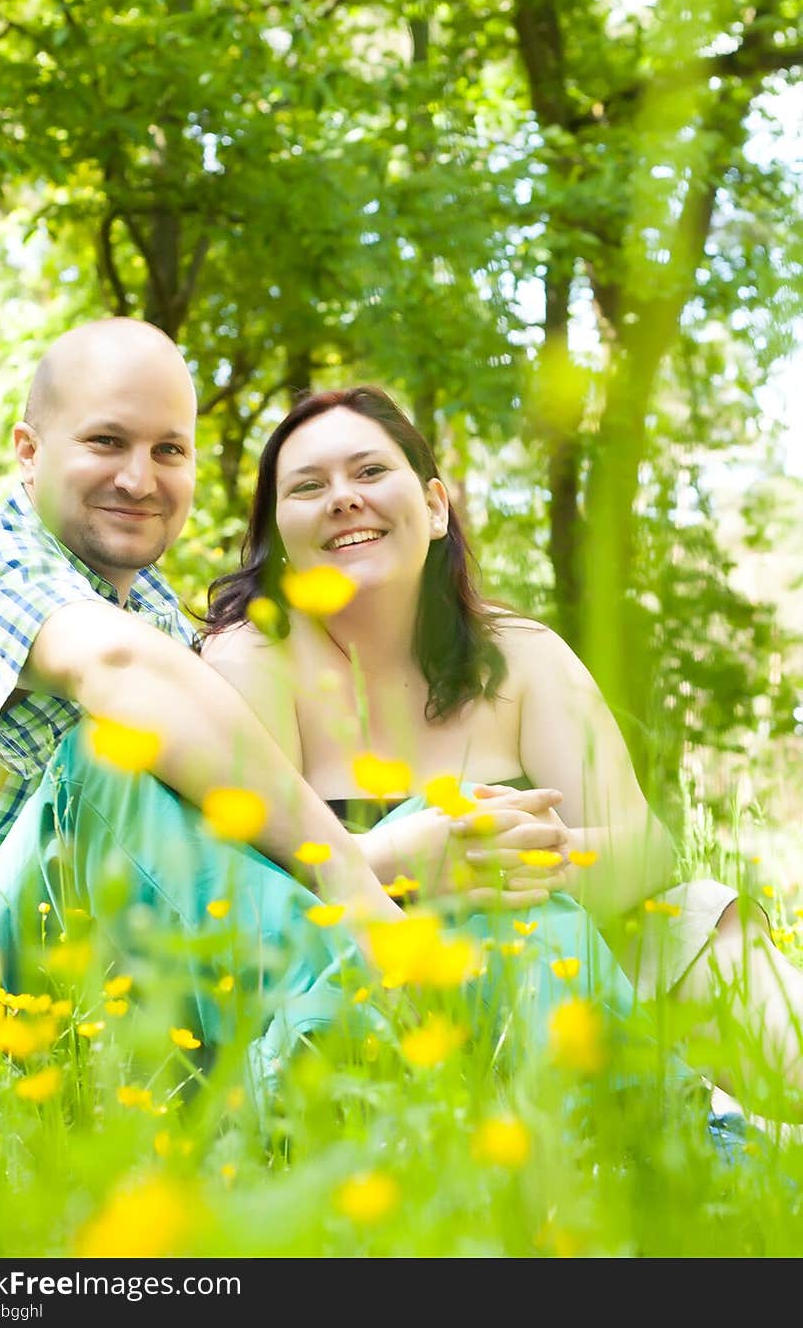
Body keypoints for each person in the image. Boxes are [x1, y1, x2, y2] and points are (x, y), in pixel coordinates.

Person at [198, 385, 803, 1117]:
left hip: (573, 943)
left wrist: (500, 857)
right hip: (371, 975)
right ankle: (707, 1130)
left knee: (701, 923)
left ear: (433, 507)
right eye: (307, 486)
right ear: (279, 536)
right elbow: (241, 893)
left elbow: (644, 850)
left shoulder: (518, 653)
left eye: (368, 472)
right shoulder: (251, 662)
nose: (342, 498)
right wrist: (415, 863)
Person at [0, 320, 409, 1087]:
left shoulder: (152, 607)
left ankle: (616, 1087)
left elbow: (208, 833)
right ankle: (412, 1023)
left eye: (167, 450)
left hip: (103, 986)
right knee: (103, 758)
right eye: (107, 441)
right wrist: (356, 885)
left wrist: (392, 856)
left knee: (430, 823)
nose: (139, 479)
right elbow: (116, 670)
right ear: (28, 450)